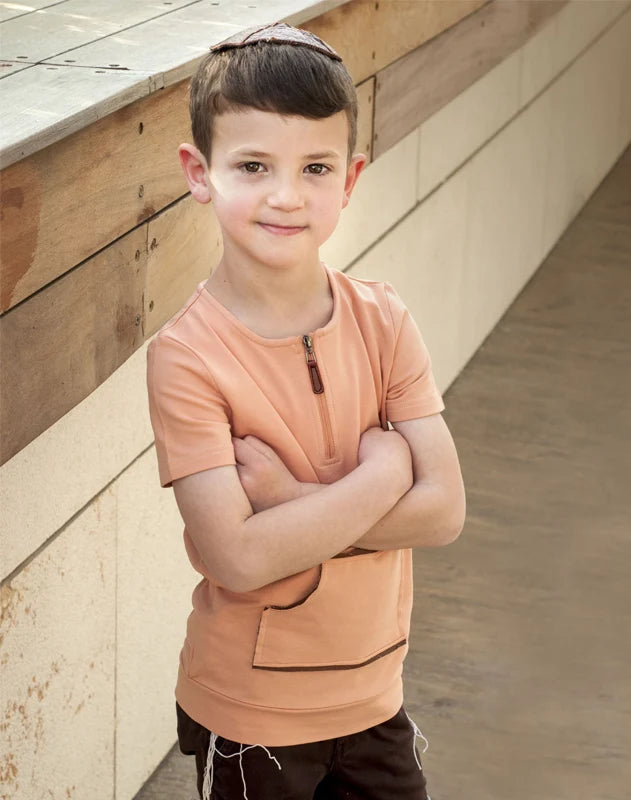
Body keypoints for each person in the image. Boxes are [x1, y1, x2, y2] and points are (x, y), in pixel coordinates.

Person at [145, 22, 465, 800]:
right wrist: (384, 473)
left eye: (314, 167)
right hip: (254, 712)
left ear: (349, 180)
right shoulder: (187, 356)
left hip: (374, 692)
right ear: (200, 171)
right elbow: (238, 557)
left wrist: (293, 505)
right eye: (253, 166)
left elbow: (444, 512)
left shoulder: (382, 319)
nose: (287, 196)